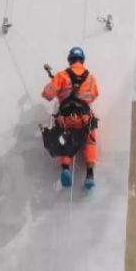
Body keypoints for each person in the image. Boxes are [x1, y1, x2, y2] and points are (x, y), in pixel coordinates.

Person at [42, 47, 100, 189]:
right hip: (84, 119)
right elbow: (94, 96)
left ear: (70, 60)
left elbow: (47, 94)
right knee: (89, 142)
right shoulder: (91, 78)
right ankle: (90, 175)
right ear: (83, 60)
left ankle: (66, 168)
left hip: (66, 119)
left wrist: (60, 91)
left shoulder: (61, 75)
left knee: (65, 141)